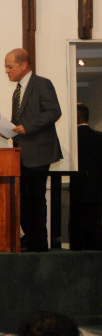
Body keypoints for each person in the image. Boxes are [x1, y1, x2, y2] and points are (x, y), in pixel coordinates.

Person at [5, 48, 63, 252]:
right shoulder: (17, 91)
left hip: (38, 153)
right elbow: (19, 120)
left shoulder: (42, 83)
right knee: (23, 200)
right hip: (21, 154)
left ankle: (39, 245)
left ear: (23, 65)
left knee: (35, 200)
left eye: (10, 66)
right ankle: (30, 239)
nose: (7, 71)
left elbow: (54, 111)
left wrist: (28, 127)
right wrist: (7, 130)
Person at [70, 103, 102, 250]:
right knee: (94, 224)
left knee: (78, 224)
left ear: (77, 116)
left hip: (77, 186)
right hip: (96, 187)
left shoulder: (72, 138)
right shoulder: (99, 137)